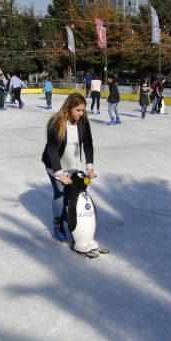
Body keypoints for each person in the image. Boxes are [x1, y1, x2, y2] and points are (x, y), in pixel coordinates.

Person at [41, 93, 103, 251]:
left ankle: (68, 217)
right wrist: (59, 173)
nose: (81, 114)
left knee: (72, 195)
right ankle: (57, 223)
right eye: (78, 110)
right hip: (55, 165)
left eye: (83, 110)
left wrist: (89, 166)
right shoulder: (56, 122)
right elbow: (52, 150)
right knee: (60, 195)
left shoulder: (83, 121)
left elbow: (88, 144)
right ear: (68, 108)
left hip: (73, 165)